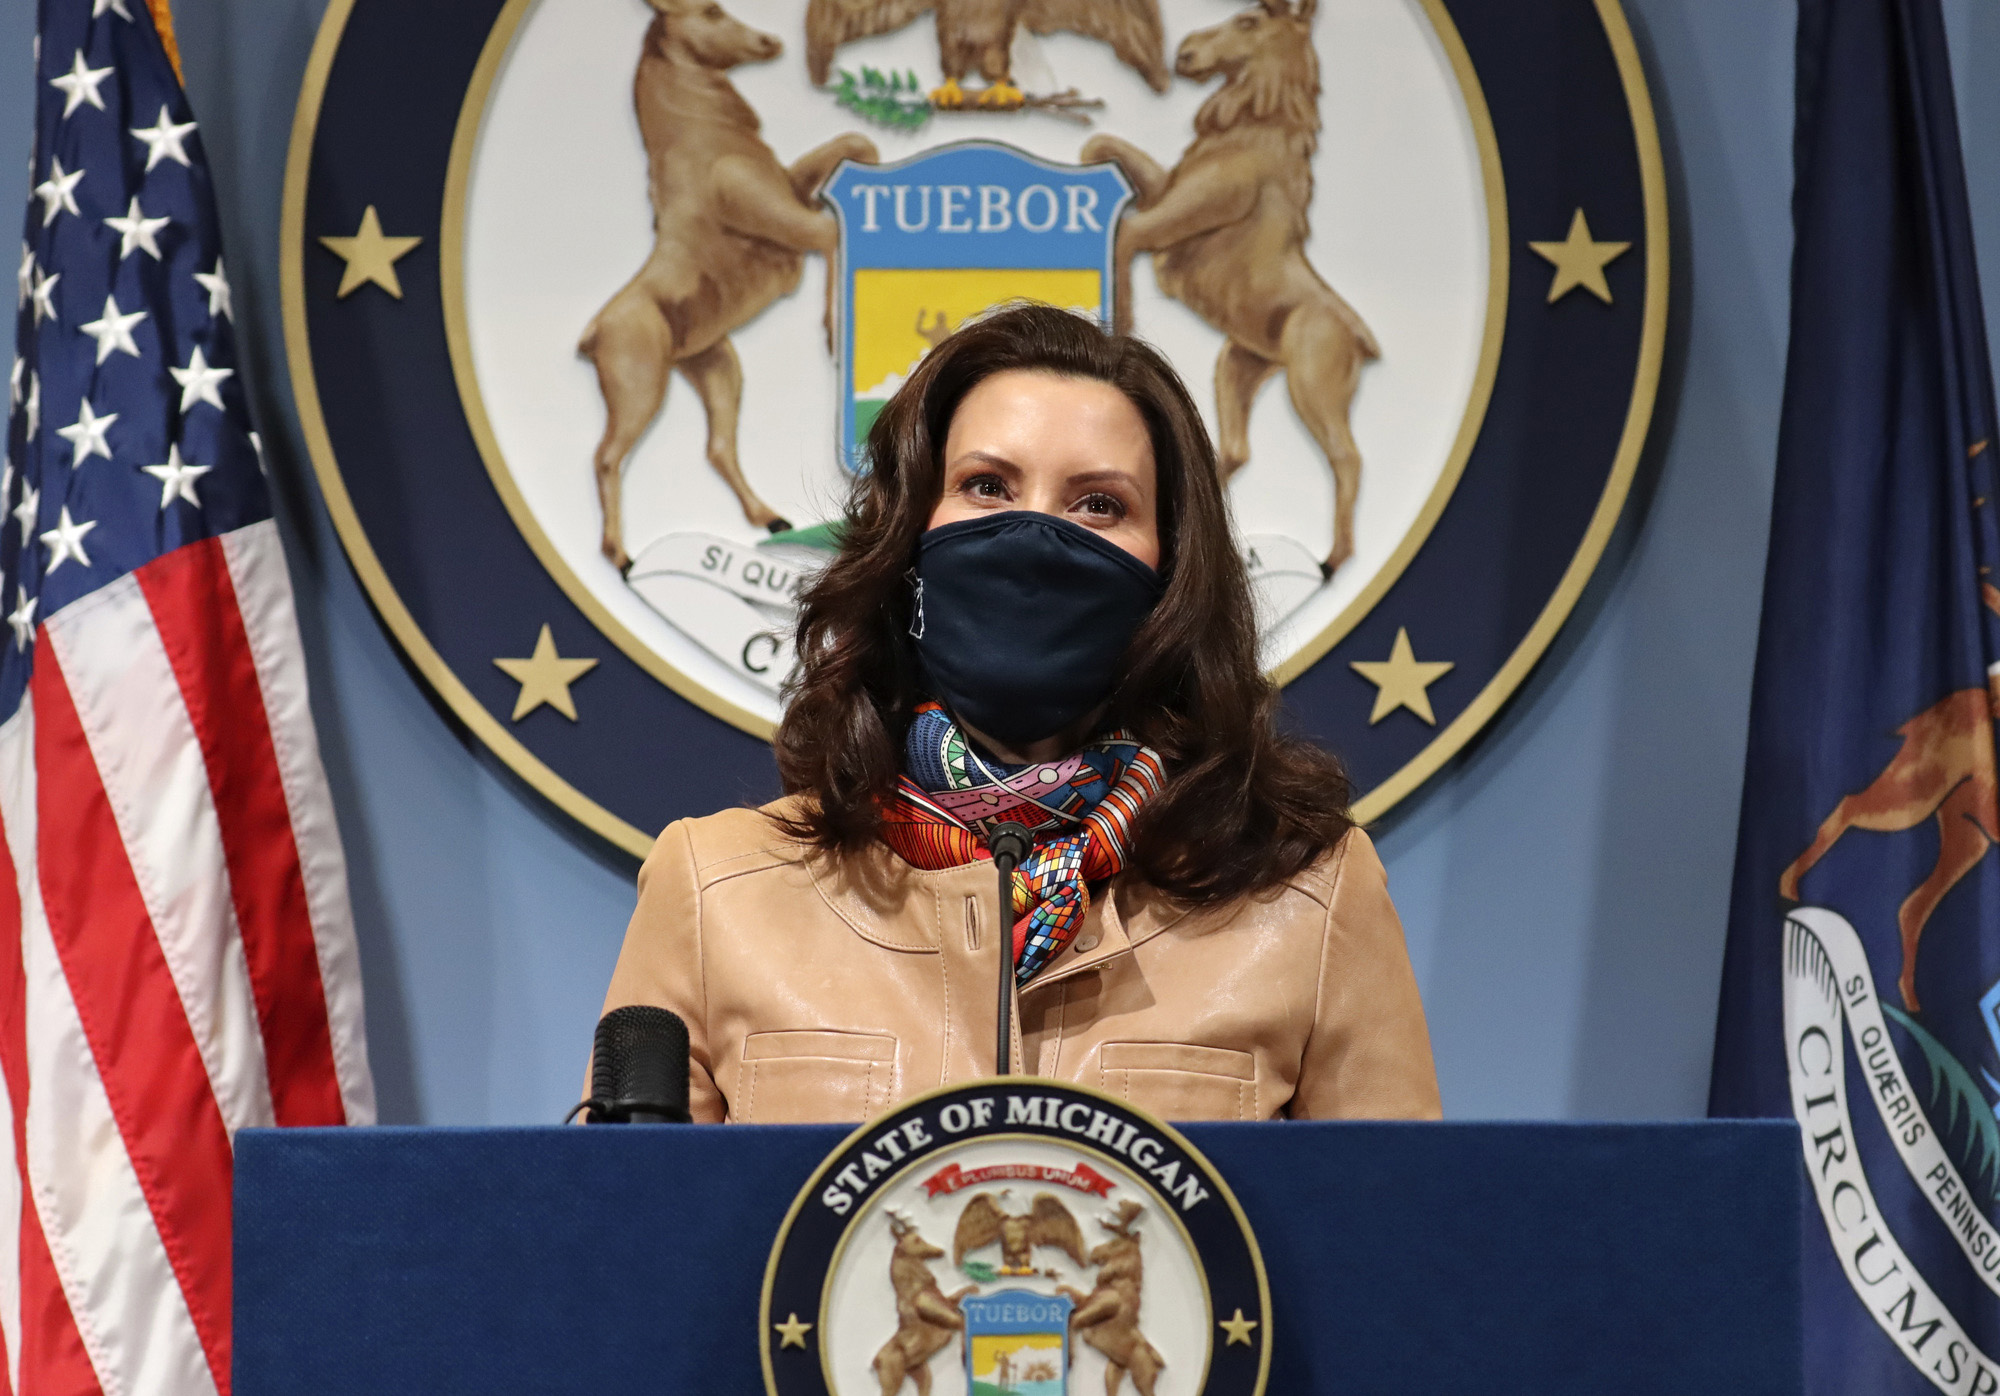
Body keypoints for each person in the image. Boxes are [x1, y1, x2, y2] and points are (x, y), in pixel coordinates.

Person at [595, 302, 1439, 1123]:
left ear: (1171, 573)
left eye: (1098, 504)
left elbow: (1391, 1249)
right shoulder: (714, 890)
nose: (1035, 536)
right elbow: (636, 1248)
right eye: (987, 486)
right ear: (907, 542)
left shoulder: (1309, 900)